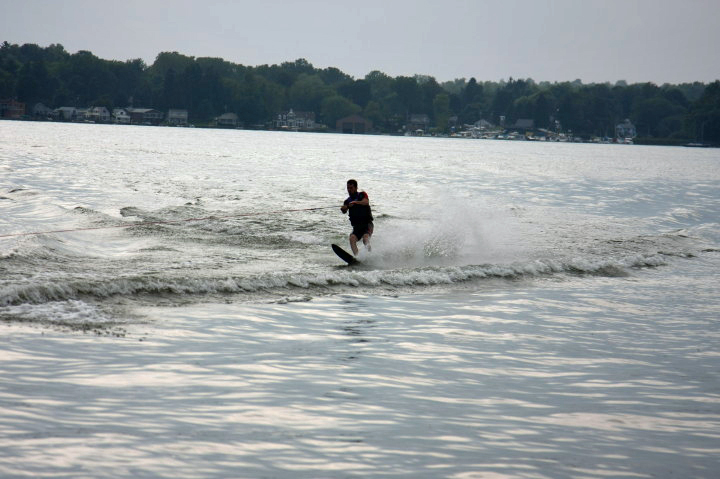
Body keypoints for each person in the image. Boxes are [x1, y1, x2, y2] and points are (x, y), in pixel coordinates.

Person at [340, 179, 374, 256]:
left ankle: (370, 256)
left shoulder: (362, 195)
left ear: (356, 188)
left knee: (365, 239)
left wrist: (355, 203)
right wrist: (344, 208)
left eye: (351, 188)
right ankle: (358, 258)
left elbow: (366, 202)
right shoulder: (347, 201)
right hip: (357, 227)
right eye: (348, 188)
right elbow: (344, 211)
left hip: (367, 224)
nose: (349, 190)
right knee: (352, 239)